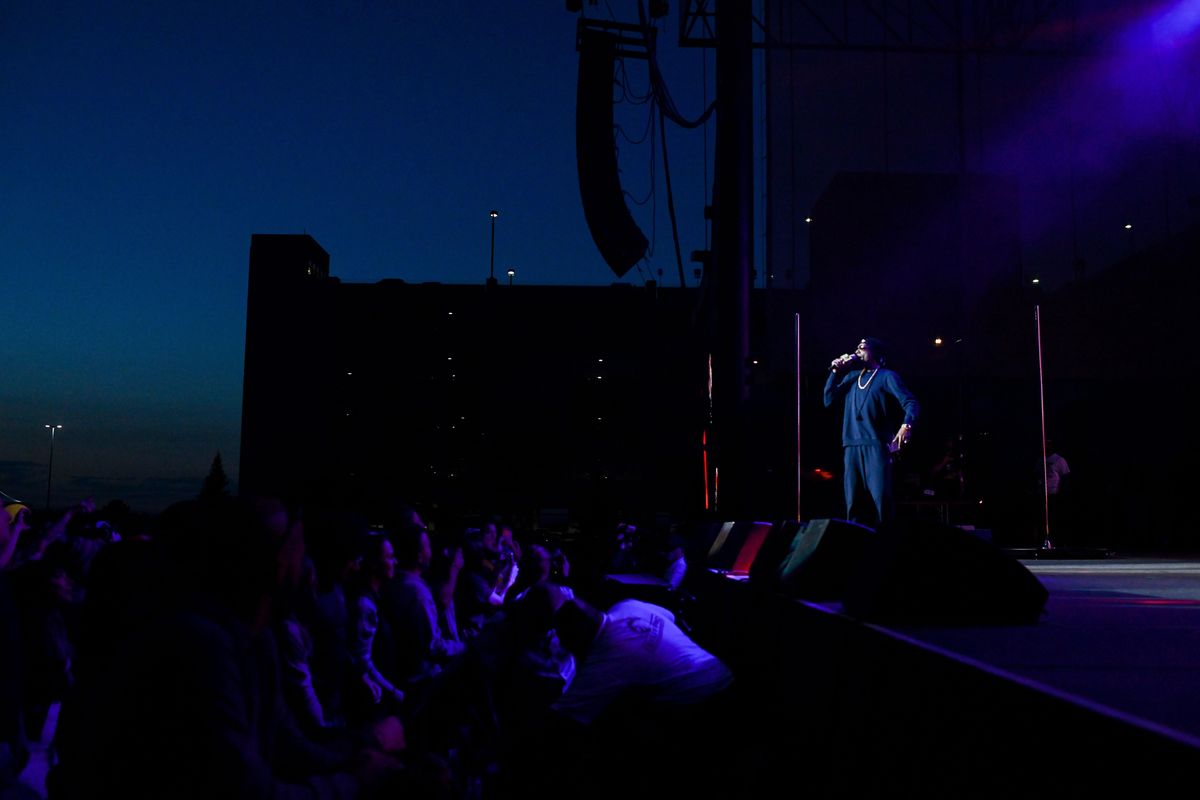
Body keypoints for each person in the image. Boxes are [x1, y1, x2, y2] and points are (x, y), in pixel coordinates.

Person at [824, 337, 920, 527]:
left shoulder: (886, 376)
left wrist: (906, 425)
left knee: (881, 500)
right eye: (857, 348)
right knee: (853, 503)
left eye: (863, 348)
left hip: (875, 445)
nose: (858, 351)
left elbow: (911, 403)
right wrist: (835, 372)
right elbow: (828, 400)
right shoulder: (852, 377)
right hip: (851, 445)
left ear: (876, 354)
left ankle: (887, 543)